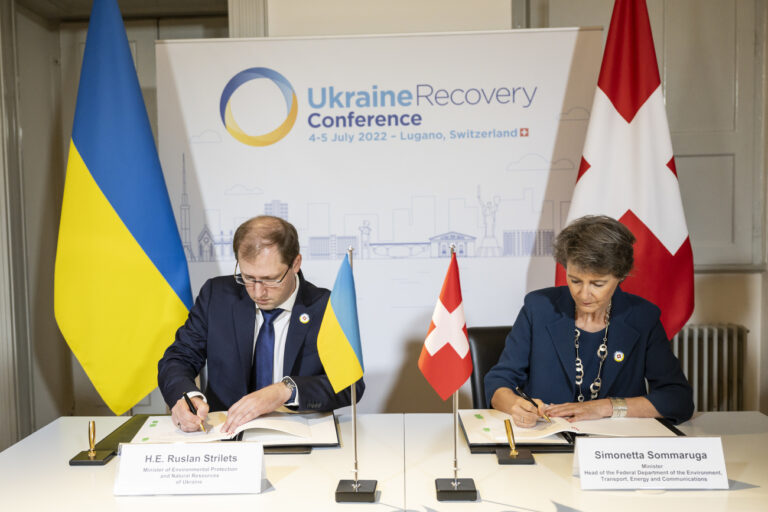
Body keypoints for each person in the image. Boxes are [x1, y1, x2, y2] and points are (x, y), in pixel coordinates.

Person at [158, 215, 364, 433]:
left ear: (295, 263)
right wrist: (186, 398)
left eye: (270, 279)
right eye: (248, 277)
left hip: (299, 435)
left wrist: (286, 390)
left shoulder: (325, 307)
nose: (258, 292)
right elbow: (178, 359)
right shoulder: (216, 296)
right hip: (225, 435)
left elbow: (351, 386)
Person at [484, 215, 693, 426]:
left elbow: (678, 399)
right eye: (575, 281)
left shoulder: (643, 317)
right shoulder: (538, 309)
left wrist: (604, 407)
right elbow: (499, 381)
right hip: (548, 437)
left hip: (616, 447)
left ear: (620, 276)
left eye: (598, 284)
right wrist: (514, 405)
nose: (584, 294)